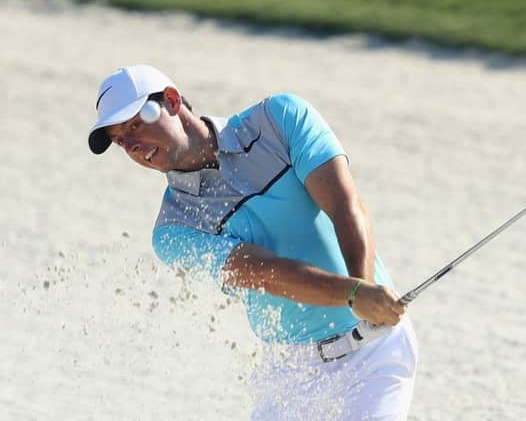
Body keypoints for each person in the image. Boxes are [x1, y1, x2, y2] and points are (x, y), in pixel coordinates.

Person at [88, 64, 418, 420]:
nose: (133, 146)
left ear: (171, 100)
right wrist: (354, 294)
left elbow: (343, 202)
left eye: (135, 124)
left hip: (373, 357)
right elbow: (264, 273)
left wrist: (364, 290)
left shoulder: (278, 120)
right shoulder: (173, 228)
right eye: (121, 141)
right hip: (290, 371)